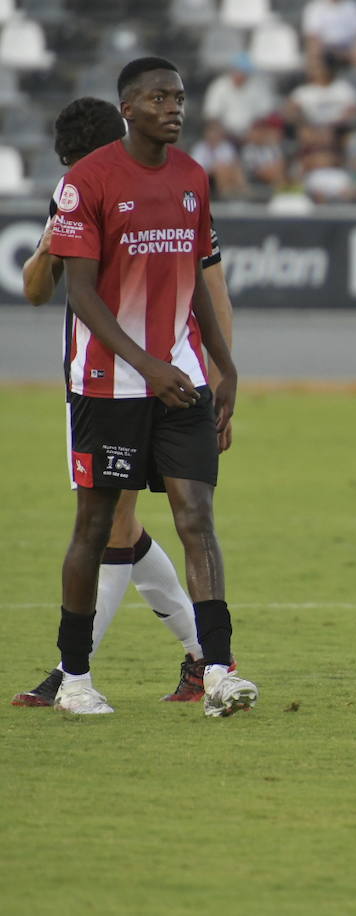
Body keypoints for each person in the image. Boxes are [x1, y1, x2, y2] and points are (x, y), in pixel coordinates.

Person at [45, 57, 255, 717]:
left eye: (181, 97)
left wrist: (223, 366)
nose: (175, 107)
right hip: (109, 388)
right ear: (129, 107)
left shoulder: (193, 179)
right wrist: (147, 364)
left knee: (196, 518)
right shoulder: (87, 183)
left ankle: (217, 669)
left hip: (182, 384)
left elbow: (194, 282)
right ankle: (74, 678)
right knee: (97, 524)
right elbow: (81, 295)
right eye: (161, 97)